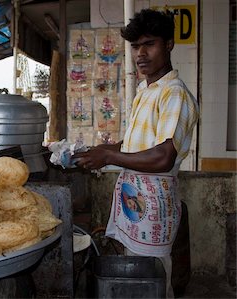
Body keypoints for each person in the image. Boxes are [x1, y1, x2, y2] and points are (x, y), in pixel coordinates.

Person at [73, 9, 199, 298]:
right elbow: (133, 146)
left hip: (154, 206)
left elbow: (162, 156)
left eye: (149, 44)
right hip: (135, 200)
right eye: (135, 46)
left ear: (168, 45)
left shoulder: (174, 94)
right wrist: (95, 151)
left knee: (153, 279)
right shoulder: (145, 90)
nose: (140, 54)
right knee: (138, 274)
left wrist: (107, 158)